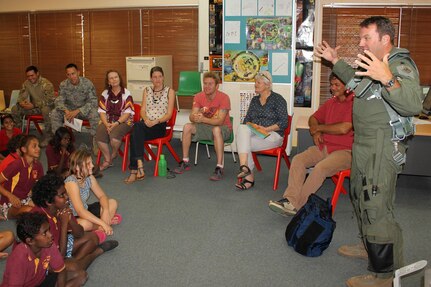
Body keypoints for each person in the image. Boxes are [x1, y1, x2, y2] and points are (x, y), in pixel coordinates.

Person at [315, 16, 422, 286]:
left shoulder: (399, 64)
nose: (361, 44)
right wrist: (335, 60)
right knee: (360, 198)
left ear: (385, 39)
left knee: (376, 206)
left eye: (366, 38)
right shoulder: (372, 64)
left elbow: (412, 104)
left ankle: (383, 275)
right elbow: (359, 86)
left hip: (382, 146)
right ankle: (368, 246)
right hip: (363, 143)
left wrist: (388, 79)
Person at [268, 73, 353, 216]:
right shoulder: (330, 103)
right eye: (331, 85)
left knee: (319, 168)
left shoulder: (355, 103)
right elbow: (313, 118)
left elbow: (344, 128)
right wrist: (316, 133)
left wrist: (319, 128)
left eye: (337, 85)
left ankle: (297, 205)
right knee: (298, 159)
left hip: (345, 152)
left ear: (347, 86)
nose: (333, 88)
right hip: (324, 146)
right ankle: (289, 200)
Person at [32, 174, 118, 271]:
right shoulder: (41, 220)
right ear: (49, 202)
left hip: (61, 243)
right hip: (47, 257)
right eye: (62, 195)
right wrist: (64, 224)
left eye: (66, 193)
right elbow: (59, 254)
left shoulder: (61, 207)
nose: (67, 197)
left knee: (93, 237)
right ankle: (96, 253)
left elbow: (79, 233)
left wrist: (70, 220)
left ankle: (74, 262)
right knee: (77, 271)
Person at [0, 212, 86, 287]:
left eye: (48, 230)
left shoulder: (48, 244)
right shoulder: (19, 258)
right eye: (44, 233)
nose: (50, 235)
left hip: (40, 281)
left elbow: (61, 271)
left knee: (80, 276)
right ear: (30, 241)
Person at [174, 71, 232, 181]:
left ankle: (219, 167)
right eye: (205, 83)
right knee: (187, 127)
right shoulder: (198, 96)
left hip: (223, 129)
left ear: (217, 86)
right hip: (205, 127)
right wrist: (194, 117)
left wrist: (203, 119)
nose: (207, 86)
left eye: (210, 84)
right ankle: (185, 161)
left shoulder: (224, 98)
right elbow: (192, 116)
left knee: (216, 129)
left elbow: (219, 121)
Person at [235, 71, 288, 190]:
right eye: (255, 82)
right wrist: (254, 127)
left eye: (258, 82)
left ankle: (248, 177)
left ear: (267, 85)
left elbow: (284, 123)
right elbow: (246, 121)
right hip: (257, 134)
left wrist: (266, 129)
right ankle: (245, 166)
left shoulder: (278, 99)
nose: (255, 84)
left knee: (243, 143)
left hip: (273, 135)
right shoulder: (254, 100)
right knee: (242, 129)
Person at [124, 66, 175, 184]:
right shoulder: (147, 90)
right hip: (146, 124)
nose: (157, 79)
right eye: (154, 77)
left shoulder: (170, 91)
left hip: (159, 125)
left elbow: (168, 114)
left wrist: (155, 121)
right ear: (151, 79)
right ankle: (139, 166)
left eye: (160, 76)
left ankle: (135, 169)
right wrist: (146, 119)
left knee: (135, 132)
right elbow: (142, 110)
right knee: (137, 129)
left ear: (163, 77)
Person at [65, 149, 121, 235]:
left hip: (85, 209)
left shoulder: (89, 177)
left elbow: (102, 196)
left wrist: (105, 211)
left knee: (112, 202)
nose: (92, 165)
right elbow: (80, 211)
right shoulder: (71, 183)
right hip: (73, 216)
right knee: (85, 224)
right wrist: (102, 223)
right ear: (77, 167)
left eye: (91, 162)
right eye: (88, 164)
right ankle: (101, 227)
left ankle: (101, 224)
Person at [50, 63, 99, 155]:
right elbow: (59, 100)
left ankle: (96, 143)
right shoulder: (63, 84)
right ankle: (59, 142)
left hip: (83, 110)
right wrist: (66, 111)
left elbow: (93, 102)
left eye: (73, 73)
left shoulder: (87, 83)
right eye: (69, 74)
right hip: (69, 110)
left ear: (78, 72)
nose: (71, 77)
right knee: (54, 113)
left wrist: (77, 111)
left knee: (95, 113)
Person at [96, 70, 134, 171]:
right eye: (111, 78)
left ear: (119, 79)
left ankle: (114, 152)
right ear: (108, 81)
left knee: (114, 138)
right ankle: (108, 160)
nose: (114, 79)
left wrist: (116, 124)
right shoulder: (105, 94)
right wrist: (106, 124)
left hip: (124, 121)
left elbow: (127, 113)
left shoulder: (127, 93)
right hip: (108, 121)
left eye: (116, 77)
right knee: (99, 135)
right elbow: (102, 112)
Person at [0, 135, 43, 219]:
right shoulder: (16, 164)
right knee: (31, 211)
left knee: (48, 205)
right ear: (24, 149)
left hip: (26, 199)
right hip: (10, 202)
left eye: (39, 146)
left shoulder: (38, 165)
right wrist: (10, 196)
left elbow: (39, 185)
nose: (38, 149)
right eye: (34, 146)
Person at [11, 65, 55, 147]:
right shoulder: (26, 84)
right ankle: (20, 135)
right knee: (15, 109)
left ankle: (49, 136)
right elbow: (21, 97)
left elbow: (50, 100)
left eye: (32, 75)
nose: (30, 78)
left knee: (45, 110)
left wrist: (34, 105)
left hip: (46, 107)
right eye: (28, 76)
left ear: (37, 74)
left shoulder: (46, 84)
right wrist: (22, 103)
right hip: (34, 108)